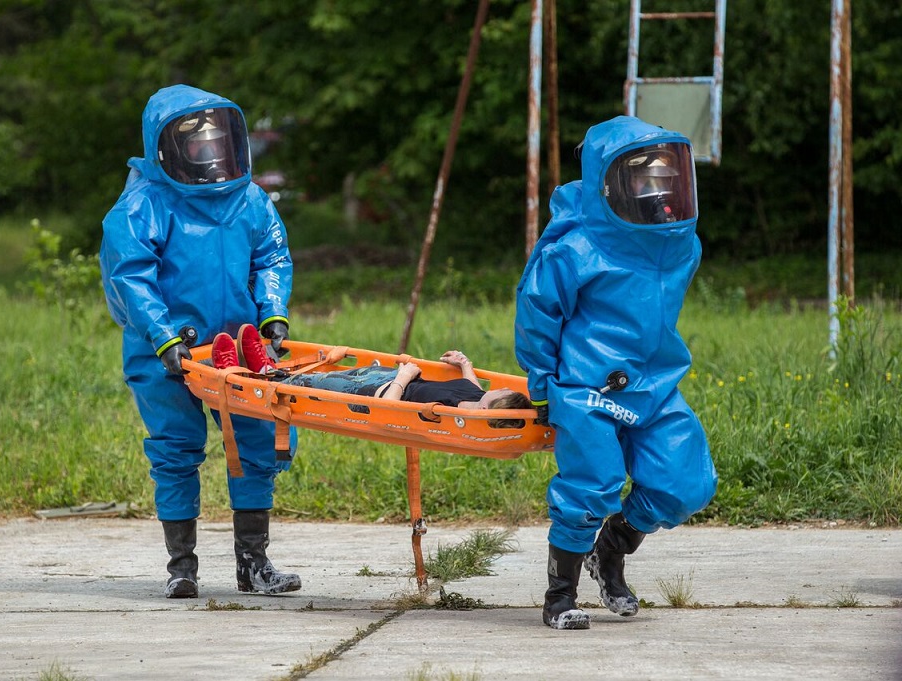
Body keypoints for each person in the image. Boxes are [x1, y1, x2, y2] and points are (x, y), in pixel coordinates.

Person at [514, 115, 718, 630]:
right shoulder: (574, 247)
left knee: (686, 482)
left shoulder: (680, 245)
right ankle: (559, 597)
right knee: (593, 485)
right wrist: (542, 386)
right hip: (587, 386)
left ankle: (611, 548)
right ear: (608, 183)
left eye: (663, 178)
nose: (657, 192)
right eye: (642, 180)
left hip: (656, 385)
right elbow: (537, 314)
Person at [100, 84, 299, 600]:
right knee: (175, 449)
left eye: (216, 142)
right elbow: (131, 278)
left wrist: (273, 313)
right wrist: (164, 338)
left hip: (238, 350)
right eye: (196, 144)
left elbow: (272, 257)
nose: (210, 153)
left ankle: (253, 566)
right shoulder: (142, 206)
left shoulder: (249, 199)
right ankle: (181, 569)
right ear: (167, 147)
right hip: (165, 354)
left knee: (256, 445)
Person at [211, 325, 532, 425]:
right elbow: (470, 387)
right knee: (317, 375)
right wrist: (464, 363)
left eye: (501, 391)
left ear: (489, 408)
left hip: (371, 394)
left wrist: (404, 377)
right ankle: (267, 371)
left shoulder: (452, 413)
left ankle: (253, 376)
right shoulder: (476, 398)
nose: (500, 386)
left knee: (310, 384)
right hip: (383, 377)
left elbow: (388, 410)